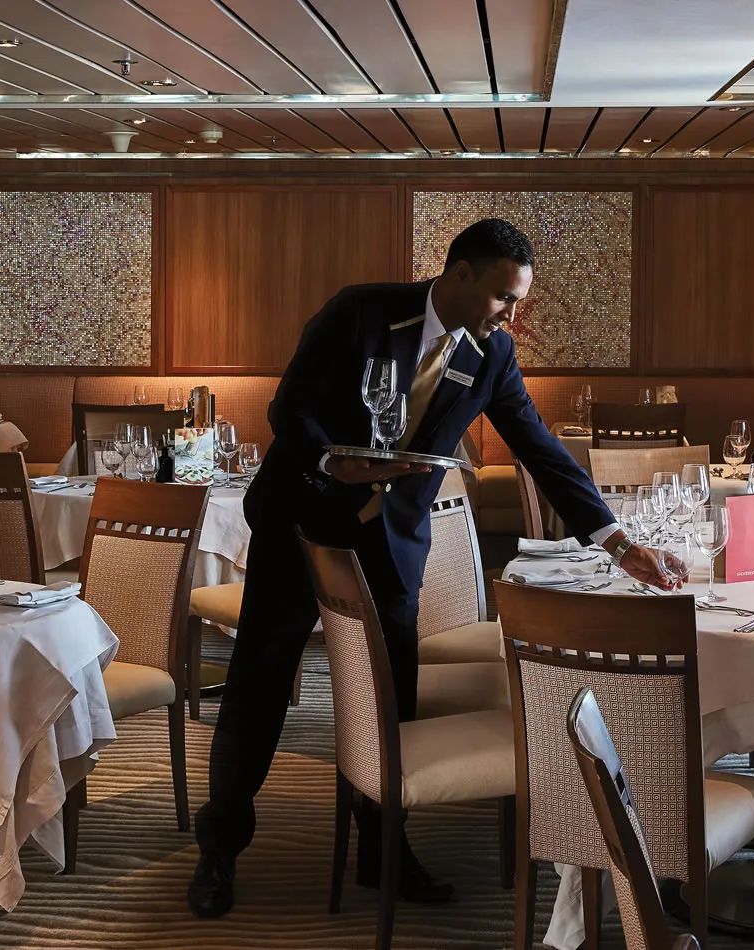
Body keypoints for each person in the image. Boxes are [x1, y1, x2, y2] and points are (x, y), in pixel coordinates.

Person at [189, 218, 682, 918]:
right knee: (259, 689)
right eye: (503, 297)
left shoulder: (492, 356)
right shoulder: (359, 312)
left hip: (390, 542)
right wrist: (331, 459)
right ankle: (220, 849)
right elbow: (289, 407)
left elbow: (540, 450)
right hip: (301, 524)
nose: (511, 314)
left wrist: (618, 543)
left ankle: (382, 849)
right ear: (459, 274)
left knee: (390, 703)